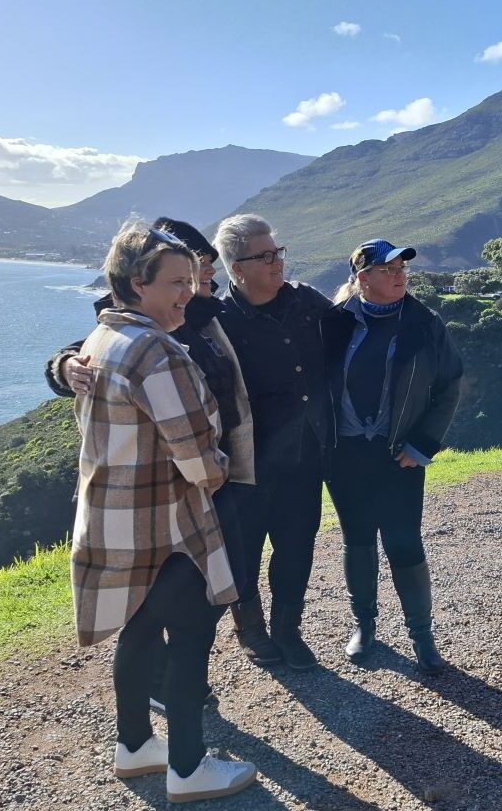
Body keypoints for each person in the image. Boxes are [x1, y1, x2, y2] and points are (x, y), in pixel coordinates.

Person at [71, 221, 256, 802]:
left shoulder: (103, 339)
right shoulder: (156, 351)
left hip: (115, 520)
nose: (189, 292)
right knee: (194, 631)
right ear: (135, 282)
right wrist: (223, 470)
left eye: (193, 279)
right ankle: (188, 767)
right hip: (167, 525)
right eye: (176, 282)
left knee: (142, 628)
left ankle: (134, 748)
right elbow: (197, 455)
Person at [320, 239, 463, 674]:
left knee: (403, 542)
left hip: (398, 455)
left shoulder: (424, 324)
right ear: (363, 278)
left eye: (402, 267)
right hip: (344, 455)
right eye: (387, 269)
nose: (399, 275)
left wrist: (422, 445)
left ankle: (422, 638)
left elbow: (450, 385)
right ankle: (364, 627)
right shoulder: (334, 323)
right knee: (358, 539)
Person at [213, 214, 332, 671]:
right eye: (264, 256)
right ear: (236, 267)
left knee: (297, 546)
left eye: (276, 252)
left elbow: (354, 327)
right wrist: (68, 364)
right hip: (246, 466)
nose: (276, 262)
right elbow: (135, 330)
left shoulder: (306, 302)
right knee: (243, 553)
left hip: (305, 457)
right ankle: (251, 631)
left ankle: (288, 630)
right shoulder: (215, 319)